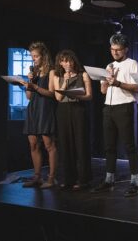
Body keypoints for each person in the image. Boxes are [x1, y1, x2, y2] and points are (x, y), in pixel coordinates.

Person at [91, 34, 138, 197]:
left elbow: (136, 88)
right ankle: (109, 178)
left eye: (118, 50)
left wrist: (118, 82)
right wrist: (107, 78)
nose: (115, 53)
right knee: (109, 146)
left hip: (124, 106)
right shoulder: (109, 65)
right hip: (109, 107)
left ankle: (134, 181)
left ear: (125, 49)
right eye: (112, 50)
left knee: (128, 145)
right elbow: (103, 90)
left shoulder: (132, 63)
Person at [52, 49, 93, 191]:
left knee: (80, 144)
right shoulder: (57, 76)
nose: (66, 63)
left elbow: (89, 96)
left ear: (74, 61)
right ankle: (68, 178)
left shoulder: (83, 75)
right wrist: (66, 81)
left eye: (69, 60)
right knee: (65, 144)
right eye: (63, 61)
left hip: (78, 109)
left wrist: (78, 96)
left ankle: (83, 179)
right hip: (63, 111)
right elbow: (58, 97)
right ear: (60, 63)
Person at [19, 41, 58, 189]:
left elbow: (52, 93)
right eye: (32, 56)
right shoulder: (34, 73)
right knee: (33, 144)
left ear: (44, 56)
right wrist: (30, 82)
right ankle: (37, 177)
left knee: (49, 145)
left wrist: (35, 86)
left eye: (36, 56)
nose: (33, 59)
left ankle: (51, 178)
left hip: (45, 109)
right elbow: (29, 96)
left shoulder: (52, 72)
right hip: (33, 109)